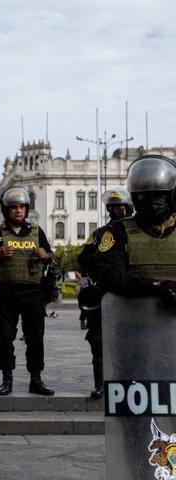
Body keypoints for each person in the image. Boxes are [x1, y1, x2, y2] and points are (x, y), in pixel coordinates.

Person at [0, 186, 54, 396]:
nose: (18, 211)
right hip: (7, 293)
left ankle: (36, 379)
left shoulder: (37, 232)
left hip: (34, 292)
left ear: (27, 209)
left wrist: (45, 255)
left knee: (36, 337)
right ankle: (7, 379)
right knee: (5, 336)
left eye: (21, 207)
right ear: (6, 210)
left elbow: (51, 257)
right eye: (13, 207)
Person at [96, 154, 176, 313]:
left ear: (172, 196)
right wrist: (157, 286)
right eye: (144, 195)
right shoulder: (116, 232)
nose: (152, 203)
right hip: (132, 323)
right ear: (135, 197)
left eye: (158, 195)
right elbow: (110, 275)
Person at [77, 188, 133, 399]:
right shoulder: (101, 234)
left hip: (132, 293)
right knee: (98, 341)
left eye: (120, 206)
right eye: (113, 207)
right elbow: (84, 259)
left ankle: (129, 382)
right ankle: (100, 384)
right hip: (104, 294)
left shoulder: (138, 232)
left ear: (129, 207)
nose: (117, 210)